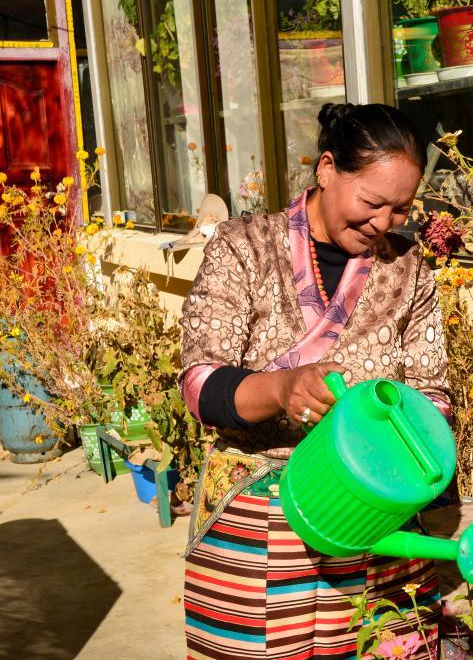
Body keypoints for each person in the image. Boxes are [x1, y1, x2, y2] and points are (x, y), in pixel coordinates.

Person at [179, 102, 451, 660]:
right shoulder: (243, 248)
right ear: (327, 168)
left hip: (379, 511)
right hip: (263, 520)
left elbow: (433, 396)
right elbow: (200, 384)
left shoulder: (407, 267)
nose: (383, 224)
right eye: (371, 203)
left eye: (401, 209)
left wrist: (400, 460)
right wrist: (281, 389)